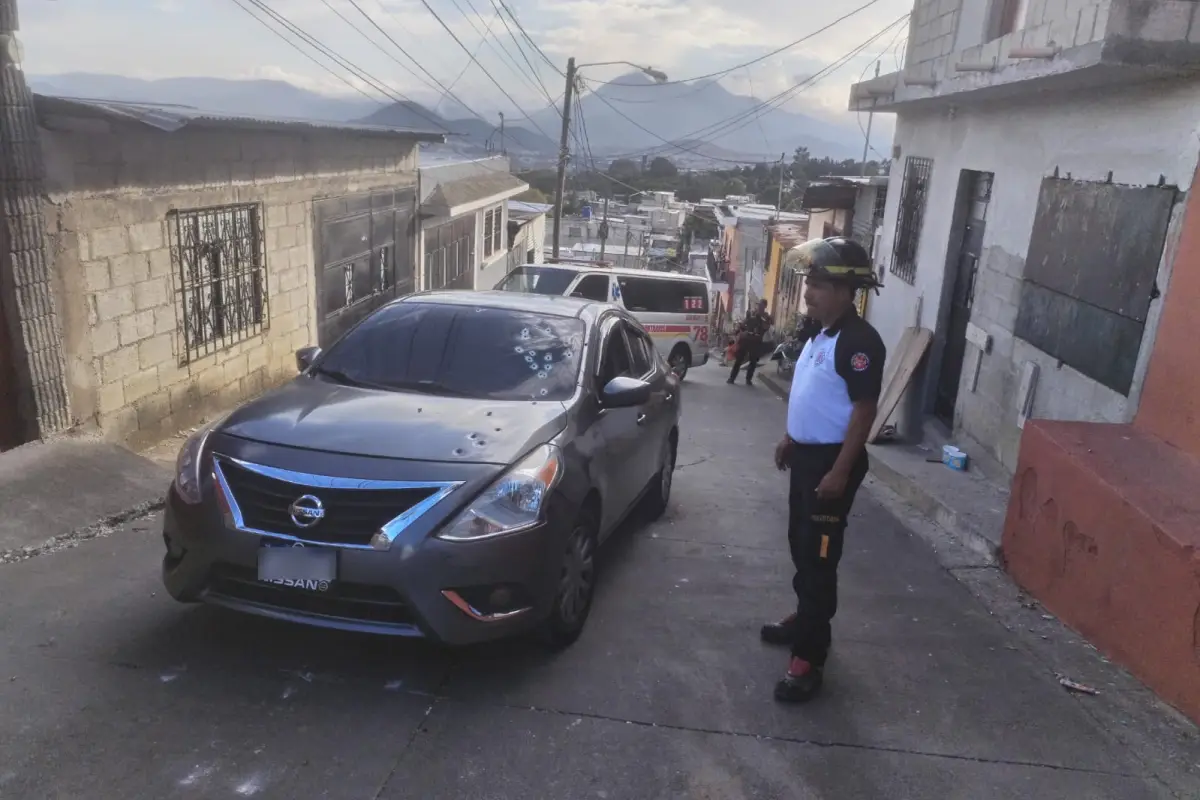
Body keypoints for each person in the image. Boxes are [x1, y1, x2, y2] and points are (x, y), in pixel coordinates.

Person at [761, 236, 886, 704]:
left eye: (818, 283)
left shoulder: (859, 342)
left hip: (832, 466)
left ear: (845, 291)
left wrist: (838, 471)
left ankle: (809, 657)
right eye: (808, 281)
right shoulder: (821, 334)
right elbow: (819, 398)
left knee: (818, 558)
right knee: (800, 544)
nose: (808, 291)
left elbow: (863, 411)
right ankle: (805, 616)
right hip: (808, 459)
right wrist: (792, 438)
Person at [727, 299, 772, 386]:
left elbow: (766, 327)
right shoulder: (752, 314)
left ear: (765, 306)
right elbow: (744, 325)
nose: (759, 307)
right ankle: (732, 378)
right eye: (758, 305)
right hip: (746, 340)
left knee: (753, 361)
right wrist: (739, 329)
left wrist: (761, 319)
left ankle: (748, 379)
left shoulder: (766, 317)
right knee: (739, 359)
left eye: (761, 305)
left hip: (756, 341)